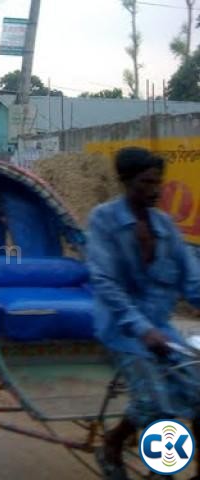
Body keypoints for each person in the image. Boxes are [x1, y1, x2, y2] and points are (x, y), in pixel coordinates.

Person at [87, 147, 200, 480]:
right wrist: (141, 329)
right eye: (145, 183)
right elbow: (105, 282)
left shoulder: (165, 225)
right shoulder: (103, 219)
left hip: (163, 330)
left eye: (157, 183)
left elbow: (190, 277)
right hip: (121, 331)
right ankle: (111, 445)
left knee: (198, 397)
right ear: (125, 181)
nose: (153, 191)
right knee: (154, 403)